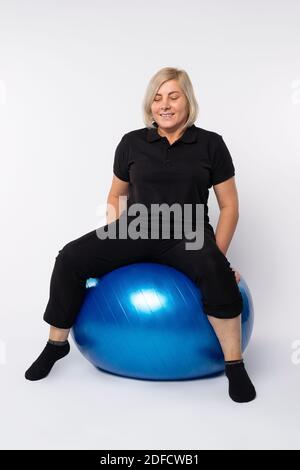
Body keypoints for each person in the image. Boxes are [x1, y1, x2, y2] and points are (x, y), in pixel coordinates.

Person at [25, 67, 256, 403]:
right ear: (150, 106)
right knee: (70, 257)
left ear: (187, 101)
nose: (164, 104)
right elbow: (116, 195)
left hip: (187, 232)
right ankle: (55, 345)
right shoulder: (132, 142)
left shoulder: (211, 144)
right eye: (157, 98)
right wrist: (114, 234)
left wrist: (219, 259)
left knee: (215, 272)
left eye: (173, 96)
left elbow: (230, 206)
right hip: (136, 229)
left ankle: (235, 365)